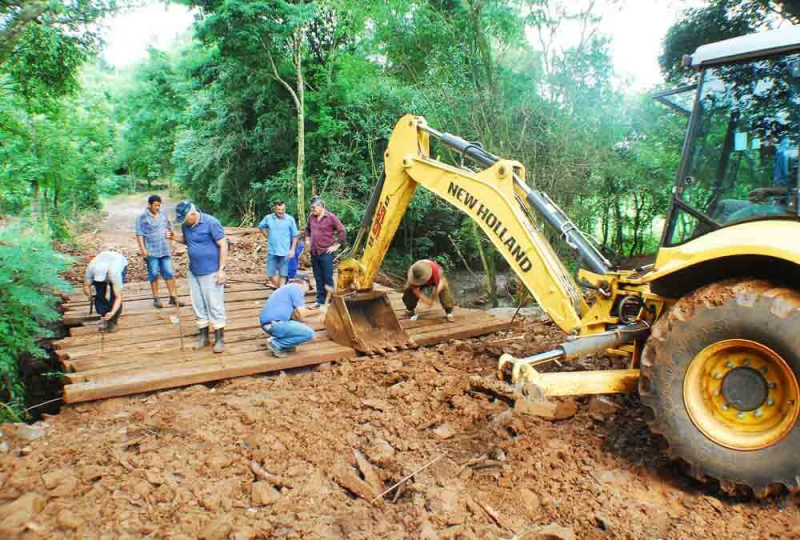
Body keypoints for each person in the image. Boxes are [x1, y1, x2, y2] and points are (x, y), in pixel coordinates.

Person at [167, 201, 228, 353]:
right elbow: (187, 240)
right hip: (194, 271)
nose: (184, 222)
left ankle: (219, 339)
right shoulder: (186, 225)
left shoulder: (211, 222)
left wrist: (221, 270)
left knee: (214, 304)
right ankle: (204, 337)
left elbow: (223, 245)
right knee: (198, 304)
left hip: (211, 271)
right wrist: (174, 237)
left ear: (193, 214)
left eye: (185, 218)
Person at [135, 194, 182, 308]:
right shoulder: (142, 218)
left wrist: (172, 244)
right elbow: (139, 234)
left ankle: (173, 297)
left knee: (169, 273)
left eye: (159, 205)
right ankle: (156, 298)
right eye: (155, 205)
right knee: (154, 274)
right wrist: (143, 249)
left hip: (165, 250)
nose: (157, 208)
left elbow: (171, 229)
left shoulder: (163, 215)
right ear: (149, 204)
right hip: (151, 251)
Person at [259, 275, 321, 358]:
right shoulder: (296, 289)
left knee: (298, 324)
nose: (306, 292)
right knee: (309, 334)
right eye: (308, 288)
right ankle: (276, 344)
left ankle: (282, 342)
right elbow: (303, 314)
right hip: (275, 324)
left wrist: (315, 318)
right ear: (304, 283)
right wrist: (321, 310)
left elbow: (297, 317)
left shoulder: (287, 289)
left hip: (269, 325)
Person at [304, 195, 346, 308]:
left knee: (327, 277)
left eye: (313, 207)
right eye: (311, 208)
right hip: (314, 252)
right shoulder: (311, 217)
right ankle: (320, 300)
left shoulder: (331, 217)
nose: (312, 210)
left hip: (326, 253)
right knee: (318, 277)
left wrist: (336, 245)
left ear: (321, 206)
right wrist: (307, 240)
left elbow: (342, 231)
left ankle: (330, 302)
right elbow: (307, 230)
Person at [83, 250, 128, 333]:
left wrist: (112, 312)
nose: (102, 280)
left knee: (114, 295)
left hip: (119, 263)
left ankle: (113, 321)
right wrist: (89, 296)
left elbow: (118, 297)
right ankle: (104, 316)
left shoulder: (115, 272)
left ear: (107, 273)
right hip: (103, 264)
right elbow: (86, 285)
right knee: (99, 293)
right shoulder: (91, 268)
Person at [258, 200, 299, 288]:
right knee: (270, 274)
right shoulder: (268, 218)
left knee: (283, 274)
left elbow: (296, 235)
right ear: (274, 209)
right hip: (272, 250)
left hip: (285, 252)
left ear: (285, 208)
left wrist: (292, 250)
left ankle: (280, 293)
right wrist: (268, 236)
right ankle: (281, 290)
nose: (281, 212)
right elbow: (261, 226)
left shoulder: (290, 219)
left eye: (283, 209)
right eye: (279, 209)